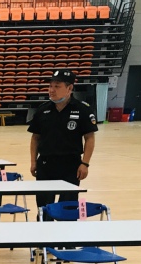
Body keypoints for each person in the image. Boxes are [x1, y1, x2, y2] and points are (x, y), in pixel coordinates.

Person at [27, 69, 98, 208]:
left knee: (68, 207)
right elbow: (35, 138)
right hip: (46, 165)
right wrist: (33, 161)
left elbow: (89, 138)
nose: (51, 90)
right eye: (50, 86)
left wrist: (85, 163)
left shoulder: (83, 109)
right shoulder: (42, 110)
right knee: (44, 208)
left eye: (57, 86)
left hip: (71, 166)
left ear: (69, 88)